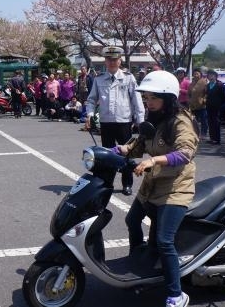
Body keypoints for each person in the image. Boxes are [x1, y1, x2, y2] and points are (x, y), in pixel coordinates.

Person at [119, 70, 198, 307]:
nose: (148, 102)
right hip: (152, 185)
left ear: (168, 98)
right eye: (146, 98)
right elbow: (133, 147)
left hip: (175, 187)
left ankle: (176, 294)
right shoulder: (152, 120)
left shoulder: (180, 121)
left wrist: (154, 160)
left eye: (153, 98)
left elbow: (185, 153)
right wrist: (108, 153)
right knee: (132, 220)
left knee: (165, 240)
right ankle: (139, 264)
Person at [85, 46, 145, 196]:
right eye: (108, 59)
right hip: (106, 123)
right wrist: (89, 115)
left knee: (127, 155)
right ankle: (107, 182)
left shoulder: (129, 78)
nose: (111, 62)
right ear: (105, 61)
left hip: (124, 122)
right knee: (107, 155)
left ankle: (127, 184)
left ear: (120, 61)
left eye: (114, 59)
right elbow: (91, 100)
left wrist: (141, 120)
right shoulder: (98, 79)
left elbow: (137, 100)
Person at [205, 69, 225, 145]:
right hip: (209, 107)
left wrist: (222, 107)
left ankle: (217, 140)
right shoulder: (207, 85)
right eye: (209, 75)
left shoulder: (220, 85)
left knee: (216, 123)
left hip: (217, 107)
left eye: (212, 75)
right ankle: (212, 138)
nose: (210, 76)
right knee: (210, 122)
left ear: (216, 76)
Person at [188, 68, 208, 139]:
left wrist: (204, 100)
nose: (196, 75)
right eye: (194, 74)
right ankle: (195, 133)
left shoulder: (204, 82)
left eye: (197, 73)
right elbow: (189, 94)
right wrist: (189, 100)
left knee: (203, 120)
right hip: (193, 105)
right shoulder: (191, 83)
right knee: (194, 120)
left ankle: (203, 133)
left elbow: (207, 93)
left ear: (200, 74)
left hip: (202, 105)